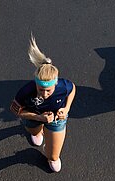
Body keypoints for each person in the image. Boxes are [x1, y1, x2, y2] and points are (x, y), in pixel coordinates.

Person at [10, 35, 76, 172]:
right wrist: (38, 118)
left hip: (56, 120)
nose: (44, 94)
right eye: (41, 90)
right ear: (36, 84)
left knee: (53, 157)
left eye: (48, 90)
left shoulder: (63, 86)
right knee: (34, 133)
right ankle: (38, 132)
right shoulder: (25, 92)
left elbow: (72, 89)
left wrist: (66, 108)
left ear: (55, 84)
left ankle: (51, 152)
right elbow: (15, 110)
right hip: (33, 117)